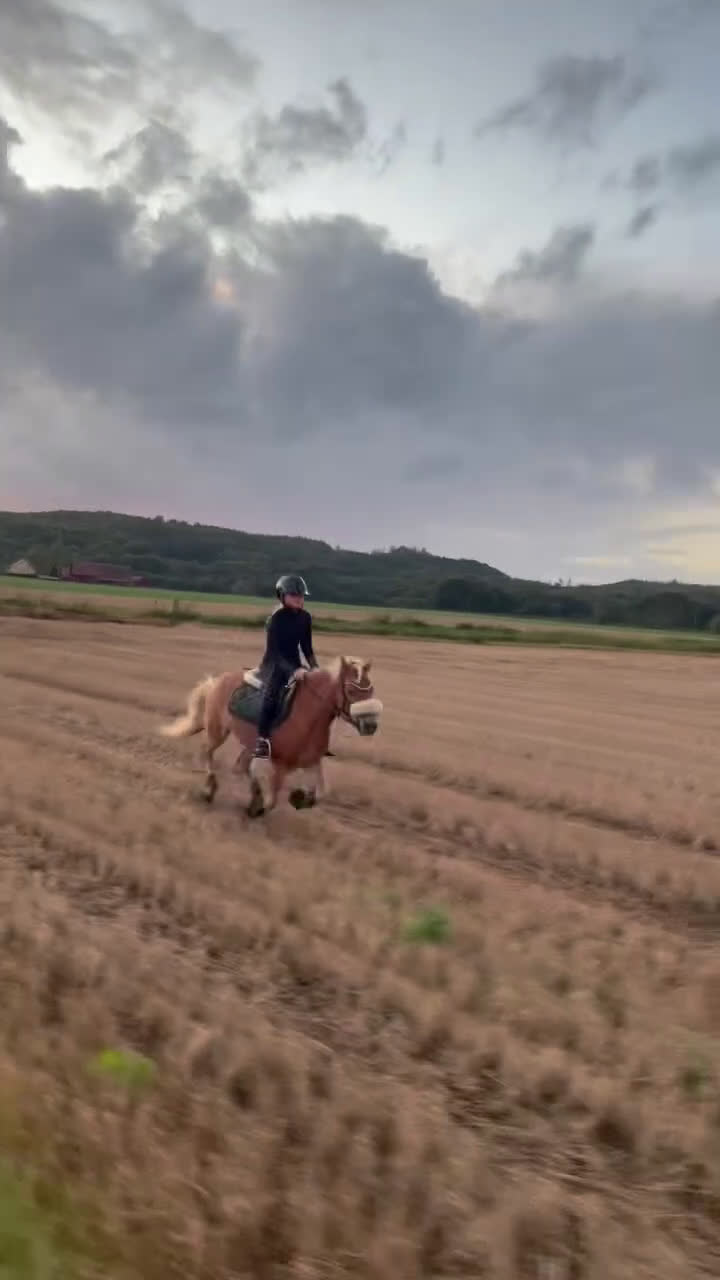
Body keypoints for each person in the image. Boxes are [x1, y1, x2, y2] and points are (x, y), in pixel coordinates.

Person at [252, 574, 318, 760]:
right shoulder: (276, 619)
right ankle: (262, 740)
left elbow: (307, 647)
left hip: (295, 664)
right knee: (272, 695)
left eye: (301, 596)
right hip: (274, 665)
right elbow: (275, 652)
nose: (299, 598)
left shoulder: (305, 618)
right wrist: (293, 671)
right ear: (282, 596)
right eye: (294, 595)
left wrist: (315, 668)